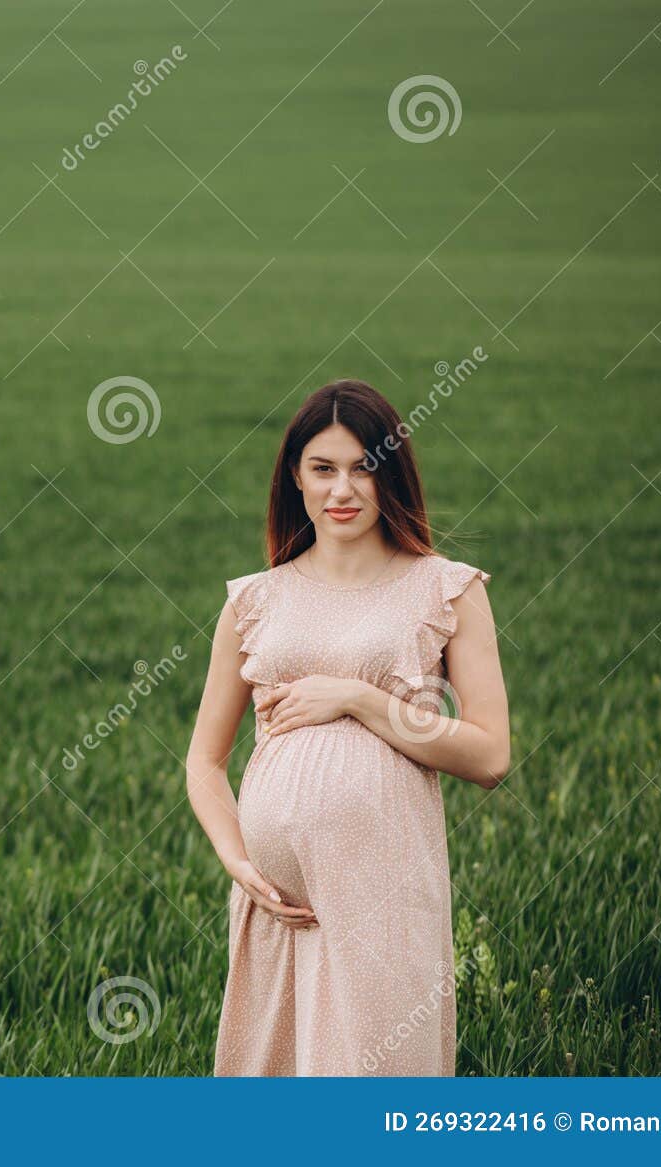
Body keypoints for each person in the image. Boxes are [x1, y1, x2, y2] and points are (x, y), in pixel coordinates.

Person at [185, 377, 512, 1076]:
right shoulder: (254, 601)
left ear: (391, 472)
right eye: (322, 468)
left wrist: (360, 699)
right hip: (280, 911)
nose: (342, 489)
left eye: (363, 466)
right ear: (294, 479)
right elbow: (204, 763)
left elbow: (490, 754)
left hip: (384, 899)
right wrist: (237, 859)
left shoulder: (447, 589)